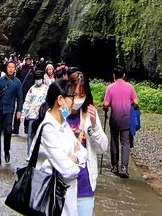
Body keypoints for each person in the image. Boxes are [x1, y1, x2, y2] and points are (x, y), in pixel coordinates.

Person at [32, 80, 87, 216]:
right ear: (60, 99)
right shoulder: (48, 129)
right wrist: (75, 160)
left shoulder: (64, 125)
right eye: (72, 97)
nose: (74, 101)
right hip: (49, 200)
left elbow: (84, 152)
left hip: (67, 199)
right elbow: (68, 170)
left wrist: (73, 158)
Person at [66, 74, 108, 215]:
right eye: (74, 94)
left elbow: (103, 148)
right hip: (62, 185)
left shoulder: (90, 114)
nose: (77, 98)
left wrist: (95, 126)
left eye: (81, 95)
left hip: (85, 185)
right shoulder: (58, 115)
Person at [103, 65, 138, 179]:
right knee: (125, 143)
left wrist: (105, 107)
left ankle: (114, 167)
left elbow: (105, 104)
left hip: (114, 118)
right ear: (124, 75)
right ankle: (124, 168)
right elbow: (136, 102)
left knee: (114, 142)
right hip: (126, 119)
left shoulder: (110, 88)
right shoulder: (130, 87)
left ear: (114, 75)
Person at [0, 60, 23, 165]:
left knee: (8, 131)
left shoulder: (17, 83)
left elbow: (20, 98)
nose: (11, 69)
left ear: (15, 69)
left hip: (9, 110)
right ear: (6, 68)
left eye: (13, 67)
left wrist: (19, 110)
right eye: (9, 67)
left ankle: (7, 150)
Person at [22, 70, 48, 153]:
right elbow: (27, 101)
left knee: (41, 135)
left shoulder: (46, 89)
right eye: (36, 78)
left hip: (42, 116)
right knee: (30, 134)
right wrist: (24, 114)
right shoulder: (31, 89)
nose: (38, 80)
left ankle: (39, 153)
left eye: (39, 78)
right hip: (32, 115)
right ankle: (30, 153)